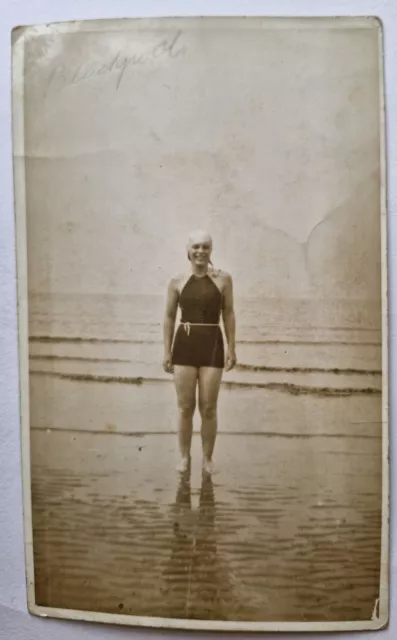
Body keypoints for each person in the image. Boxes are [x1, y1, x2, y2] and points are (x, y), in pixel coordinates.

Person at [163, 230, 236, 474]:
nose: (200, 251)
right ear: (188, 250)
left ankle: (207, 459)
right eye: (196, 247)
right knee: (185, 407)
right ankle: (184, 457)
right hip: (184, 345)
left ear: (211, 251)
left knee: (209, 408)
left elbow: (228, 313)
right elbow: (169, 316)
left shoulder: (223, 279)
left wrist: (232, 348)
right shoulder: (177, 281)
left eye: (205, 247)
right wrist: (166, 351)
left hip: (212, 344)